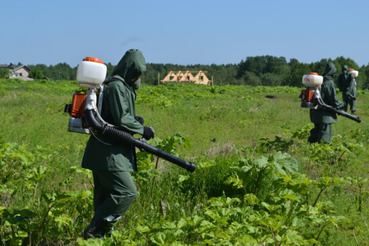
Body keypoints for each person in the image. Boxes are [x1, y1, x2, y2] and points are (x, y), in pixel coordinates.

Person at [80, 49, 155, 239]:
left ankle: (98, 239)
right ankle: (94, 229)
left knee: (104, 198)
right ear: (130, 70)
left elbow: (117, 116)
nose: (139, 77)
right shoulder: (115, 87)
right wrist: (142, 130)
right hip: (107, 155)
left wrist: (135, 121)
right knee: (126, 192)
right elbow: (121, 118)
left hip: (108, 153)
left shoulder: (123, 88)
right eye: (138, 73)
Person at [308, 61, 345, 144]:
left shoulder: (319, 81)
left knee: (317, 130)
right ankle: (323, 152)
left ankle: (311, 146)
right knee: (325, 134)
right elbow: (333, 99)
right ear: (332, 71)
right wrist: (342, 105)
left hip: (315, 112)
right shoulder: (329, 82)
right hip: (325, 114)